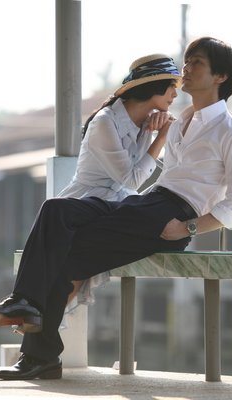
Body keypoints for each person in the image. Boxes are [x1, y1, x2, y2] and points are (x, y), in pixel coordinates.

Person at [0, 36, 232, 381]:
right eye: (187, 60)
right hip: (147, 202)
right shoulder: (179, 123)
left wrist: (188, 227)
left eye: (197, 63)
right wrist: (154, 136)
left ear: (220, 76)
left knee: (61, 251)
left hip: (174, 215)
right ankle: (29, 320)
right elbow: (154, 177)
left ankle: (34, 342)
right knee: (56, 210)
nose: (186, 69)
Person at [58, 53, 180, 314]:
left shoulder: (146, 121)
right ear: (154, 85)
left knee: (79, 267)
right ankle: (39, 321)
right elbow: (131, 179)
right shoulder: (105, 121)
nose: (175, 94)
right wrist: (160, 138)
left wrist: (156, 130)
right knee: (74, 267)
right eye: (171, 86)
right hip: (84, 205)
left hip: (114, 207)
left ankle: (41, 323)